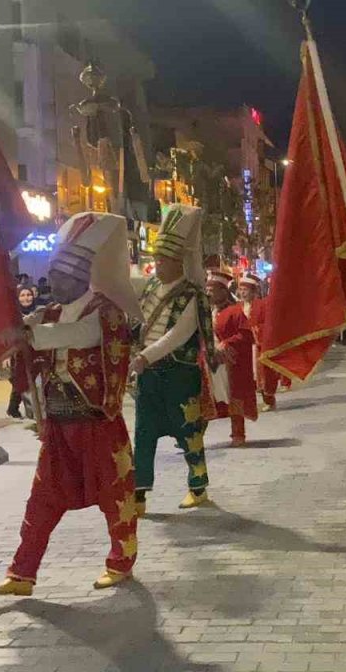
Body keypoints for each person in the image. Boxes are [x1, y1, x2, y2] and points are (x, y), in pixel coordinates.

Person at [0, 212, 141, 596]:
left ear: (78, 278)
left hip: (96, 419)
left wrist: (30, 334)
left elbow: (78, 335)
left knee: (115, 495)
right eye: (52, 276)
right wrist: (17, 329)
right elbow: (35, 332)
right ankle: (22, 573)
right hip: (58, 421)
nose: (50, 283)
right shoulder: (49, 311)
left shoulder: (105, 311)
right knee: (42, 500)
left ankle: (121, 562)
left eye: (59, 278)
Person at [132, 205, 218, 516]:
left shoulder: (191, 295)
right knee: (143, 433)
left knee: (189, 431)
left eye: (162, 259)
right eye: (156, 259)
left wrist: (145, 355)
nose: (157, 264)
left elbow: (178, 335)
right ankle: (138, 494)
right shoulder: (151, 287)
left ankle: (198, 487)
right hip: (149, 374)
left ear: (178, 261)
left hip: (179, 374)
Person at [206, 266, 258, 448]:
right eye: (207, 290)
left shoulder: (235, 311)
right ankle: (192, 438)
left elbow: (246, 335)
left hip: (230, 363)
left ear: (222, 291)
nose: (208, 294)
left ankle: (238, 433)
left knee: (234, 397)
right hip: (209, 361)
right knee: (205, 397)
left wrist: (226, 344)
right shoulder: (206, 311)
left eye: (212, 290)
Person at [238, 273, 277, 412]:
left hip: (258, 346)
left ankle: (269, 400)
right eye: (241, 290)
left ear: (253, 291)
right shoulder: (238, 306)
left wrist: (255, 330)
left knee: (262, 375)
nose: (242, 293)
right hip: (243, 347)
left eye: (245, 290)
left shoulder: (262, 305)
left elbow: (268, 324)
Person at [6, 286, 38, 420]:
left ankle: (32, 410)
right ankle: (24, 411)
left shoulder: (40, 313)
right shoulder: (13, 315)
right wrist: (6, 355)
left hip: (37, 351)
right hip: (18, 354)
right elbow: (7, 336)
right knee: (21, 380)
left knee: (36, 380)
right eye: (23, 295)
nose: (26, 298)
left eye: (29, 295)